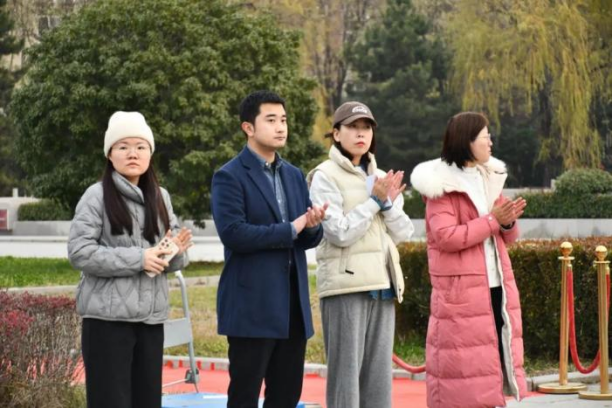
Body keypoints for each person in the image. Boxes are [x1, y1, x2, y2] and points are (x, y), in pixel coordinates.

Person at [211, 90, 327, 408]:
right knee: (244, 397)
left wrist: (312, 226)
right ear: (248, 127)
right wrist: (292, 228)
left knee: (286, 397)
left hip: (292, 308)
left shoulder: (293, 175)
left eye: (284, 120)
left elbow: (305, 238)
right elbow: (234, 234)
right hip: (252, 307)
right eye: (271, 120)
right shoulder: (229, 176)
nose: (280, 127)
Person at [67, 111, 192, 408]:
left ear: (150, 153)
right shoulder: (96, 196)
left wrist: (175, 252)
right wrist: (140, 258)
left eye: (140, 146)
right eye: (123, 147)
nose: (132, 153)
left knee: (147, 401)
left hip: (151, 320)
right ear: (110, 155)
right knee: (111, 401)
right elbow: (80, 252)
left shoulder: (161, 197)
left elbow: (169, 259)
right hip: (107, 323)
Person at [410, 112, 528, 408]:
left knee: (491, 361)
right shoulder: (441, 185)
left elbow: (508, 237)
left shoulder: (489, 178)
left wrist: (508, 222)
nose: (491, 142)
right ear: (467, 141)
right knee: (463, 369)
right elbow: (446, 237)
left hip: (496, 284)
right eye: (485, 137)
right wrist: (492, 220)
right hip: (461, 293)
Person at [307, 101, 414, 408]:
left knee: (379, 381)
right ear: (336, 134)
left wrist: (387, 203)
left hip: (383, 284)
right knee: (346, 380)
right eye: (352, 127)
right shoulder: (324, 175)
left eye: (366, 128)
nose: (360, 134)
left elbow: (403, 233)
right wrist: (374, 203)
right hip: (346, 287)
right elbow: (338, 232)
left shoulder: (380, 177)